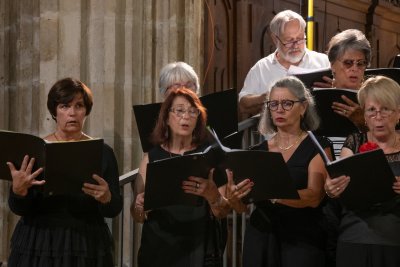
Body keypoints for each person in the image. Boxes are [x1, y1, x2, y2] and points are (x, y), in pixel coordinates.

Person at [7, 77, 123, 266]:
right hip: (39, 241)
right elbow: (18, 208)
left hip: (86, 242)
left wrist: (107, 197)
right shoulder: (35, 150)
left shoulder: (103, 152)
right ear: (54, 111)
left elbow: (114, 208)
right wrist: (18, 191)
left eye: (79, 106)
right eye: (64, 106)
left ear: (86, 111)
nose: (72, 113)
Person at [132, 87, 252, 267]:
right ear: (166, 116)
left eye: (192, 111)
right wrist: (139, 206)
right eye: (179, 110)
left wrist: (212, 195)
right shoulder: (151, 157)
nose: (186, 116)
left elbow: (221, 212)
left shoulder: (211, 155)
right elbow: (138, 216)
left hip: (199, 247)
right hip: (159, 248)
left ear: (199, 118)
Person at [242, 76, 332, 267]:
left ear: (303, 107)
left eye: (287, 103)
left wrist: (275, 196)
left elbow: (314, 196)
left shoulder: (318, 146)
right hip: (261, 235)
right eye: (273, 104)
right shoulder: (257, 151)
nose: (279, 109)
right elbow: (243, 202)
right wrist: (234, 196)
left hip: (302, 237)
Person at [324, 75, 400, 267]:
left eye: (385, 110)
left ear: (398, 113)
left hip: (394, 238)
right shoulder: (354, 142)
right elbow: (340, 186)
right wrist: (331, 188)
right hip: (355, 236)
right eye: (371, 110)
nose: (378, 117)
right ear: (364, 115)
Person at [238, 10, 330, 115]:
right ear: (275, 39)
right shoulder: (262, 68)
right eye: (289, 40)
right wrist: (268, 97)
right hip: (274, 130)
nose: (295, 45)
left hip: (317, 128)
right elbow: (243, 105)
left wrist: (333, 89)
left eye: (300, 39)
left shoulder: (324, 61)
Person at [317, 29, 372, 130]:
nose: (355, 68)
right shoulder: (315, 99)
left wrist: (363, 122)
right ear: (332, 65)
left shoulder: (376, 99)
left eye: (360, 63)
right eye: (348, 63)